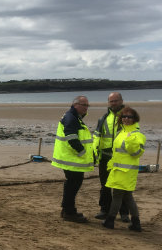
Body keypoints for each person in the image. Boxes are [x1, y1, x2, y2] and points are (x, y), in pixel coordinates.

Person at [51, 95, 94, 223]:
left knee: (72, 184)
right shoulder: (71, 117)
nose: (86, 108)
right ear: (76, 105)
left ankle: (68, 209)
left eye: (87, 105)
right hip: (72, 159)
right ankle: (69, 211)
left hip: (71, 159)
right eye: (84, 105)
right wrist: (82, 152)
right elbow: (72, 137)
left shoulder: (74, 117)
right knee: (73, 184)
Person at [102, 107, 145, 232]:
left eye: (129, 117)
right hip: (117, 169)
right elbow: (116, 152)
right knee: (127, 197)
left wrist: (131, 141)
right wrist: (111, 164)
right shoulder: (121, 132)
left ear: (134, 119)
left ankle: (110, 221)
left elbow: (136, 153)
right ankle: (136, 223)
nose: (126, 119)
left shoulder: (137, 135)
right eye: (124, 116)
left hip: (127, 171)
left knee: (118, 196)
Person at [93, 92, 130, 222]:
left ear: (121, 101)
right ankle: (104, 210)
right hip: (105, 157)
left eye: (116, 101)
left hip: (122, 157)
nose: (113, 103)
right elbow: (97, 136)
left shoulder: (128, 117)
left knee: (121, 186)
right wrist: (95, 152)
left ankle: (124, 213)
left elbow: (134, 136)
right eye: (111, 101)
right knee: (105, 186)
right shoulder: (103, 118)